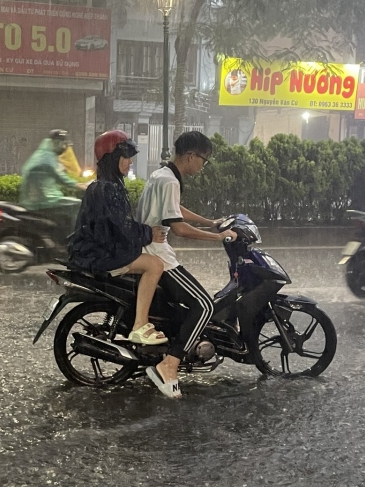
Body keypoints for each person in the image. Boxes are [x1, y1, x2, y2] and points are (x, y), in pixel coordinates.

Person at [135, 131, 237, 399]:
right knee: (204, 305)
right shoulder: (170, 181)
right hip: (157, 254)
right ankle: (169, 364)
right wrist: (218, 236)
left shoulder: (162, 175)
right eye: (204, 159)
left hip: (149, 248)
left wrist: (210, 221)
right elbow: (179, 228)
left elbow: (175, 209)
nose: (202, 165)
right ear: (191, 156)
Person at [66, 131, 169, 346]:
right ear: (112, 159)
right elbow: (122, 229)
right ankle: (140, 325)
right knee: (155, 265)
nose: (129, 162)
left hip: (94, 250)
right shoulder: (108, 189)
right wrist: (149, 233)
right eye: (125, 157)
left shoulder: (104, 186)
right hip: (100, 254)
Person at [19, 130, 84, 232]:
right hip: (44, 201)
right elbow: (60, 177)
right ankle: (73, 238)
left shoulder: (44, 153)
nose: (64, 148)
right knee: (77, 204)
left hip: (37, 200)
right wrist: (79, 185)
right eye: (63, 144)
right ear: (57, 142)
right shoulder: (47, 157)